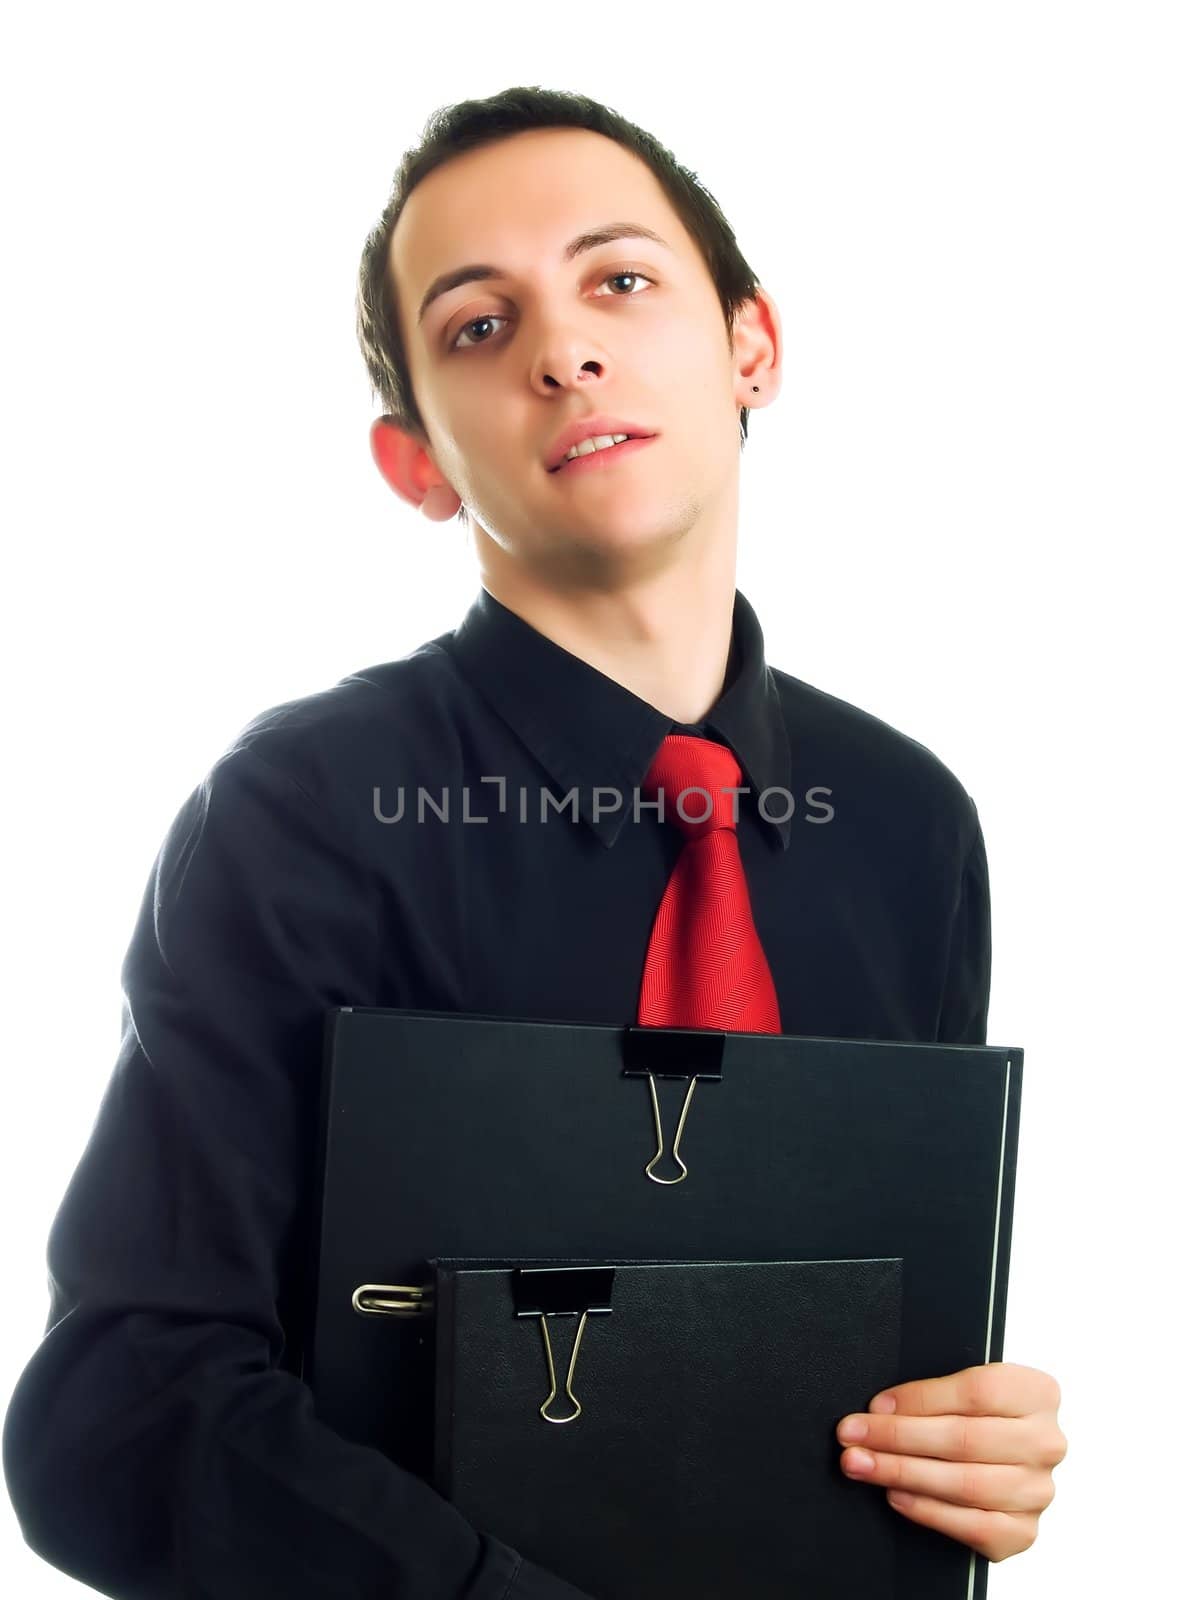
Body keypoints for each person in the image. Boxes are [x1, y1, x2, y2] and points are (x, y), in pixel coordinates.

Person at [2, 85, 1066, 1598]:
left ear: (751, 345)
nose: (565, 350)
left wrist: (973, 1456)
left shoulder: (908, 825)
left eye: (619, 281)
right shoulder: (304, 816)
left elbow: (882, 1352)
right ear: (417, 464)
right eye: (479, 329)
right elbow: (116, 1419)